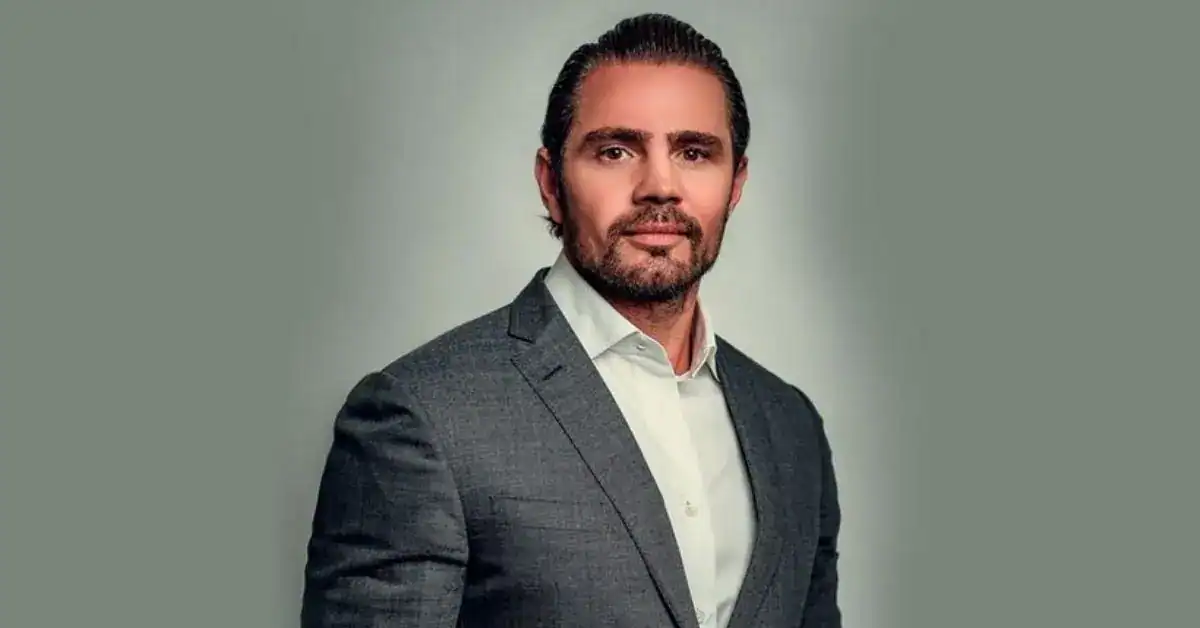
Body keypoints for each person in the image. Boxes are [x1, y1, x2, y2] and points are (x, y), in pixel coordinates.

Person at [301, 12, 841, 628]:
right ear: (551, 183)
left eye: (694, 152)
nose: (659, 186)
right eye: (615, 151)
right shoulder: (421, 417)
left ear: (735, 183)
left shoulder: (791, 427)